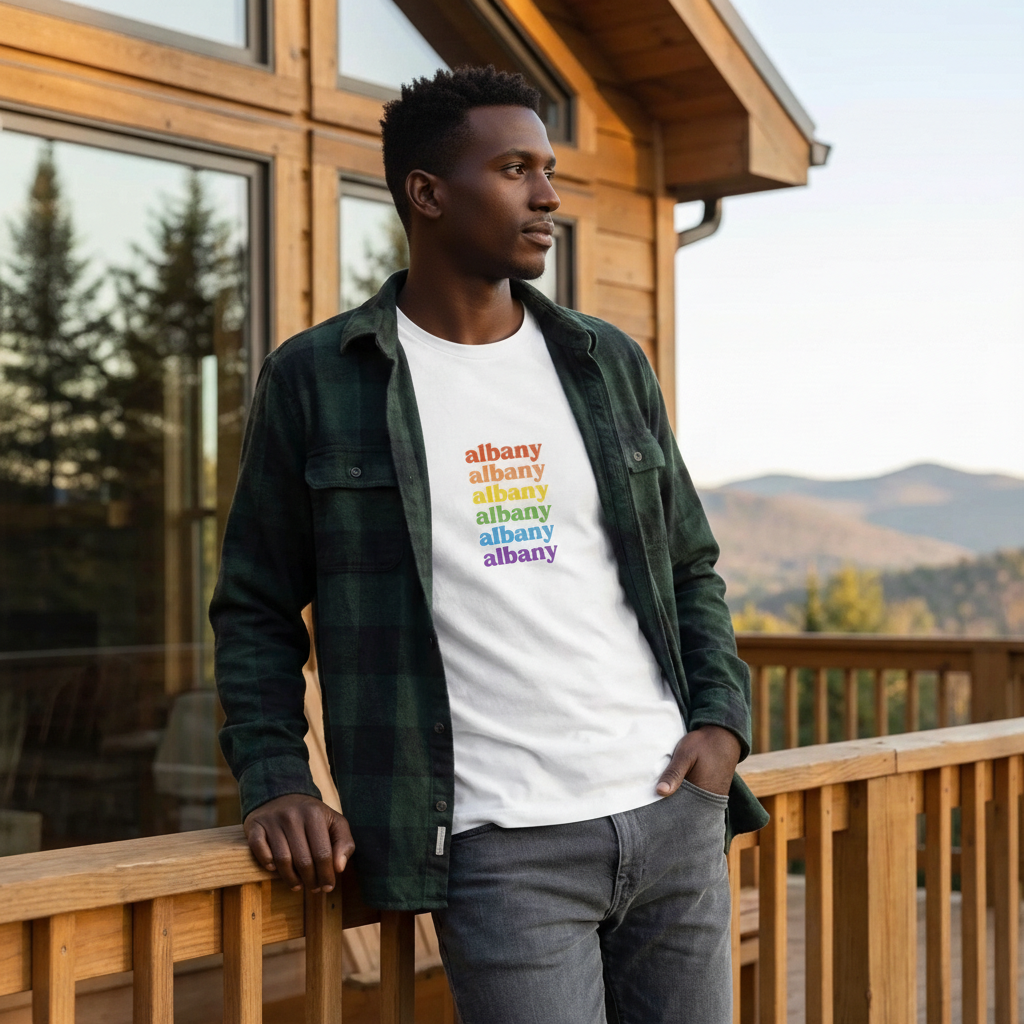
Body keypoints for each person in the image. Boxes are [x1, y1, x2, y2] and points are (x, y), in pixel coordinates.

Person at [211, 64, 767, 1024]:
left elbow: (690, 565)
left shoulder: (604, 363)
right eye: (515, 169)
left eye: (547, 169)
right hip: (499, 850)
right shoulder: (321, 378)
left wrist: (720, 722)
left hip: (673, 817)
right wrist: (275, 781)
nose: (548, 195)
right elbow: (254, 607)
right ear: (427, 194)